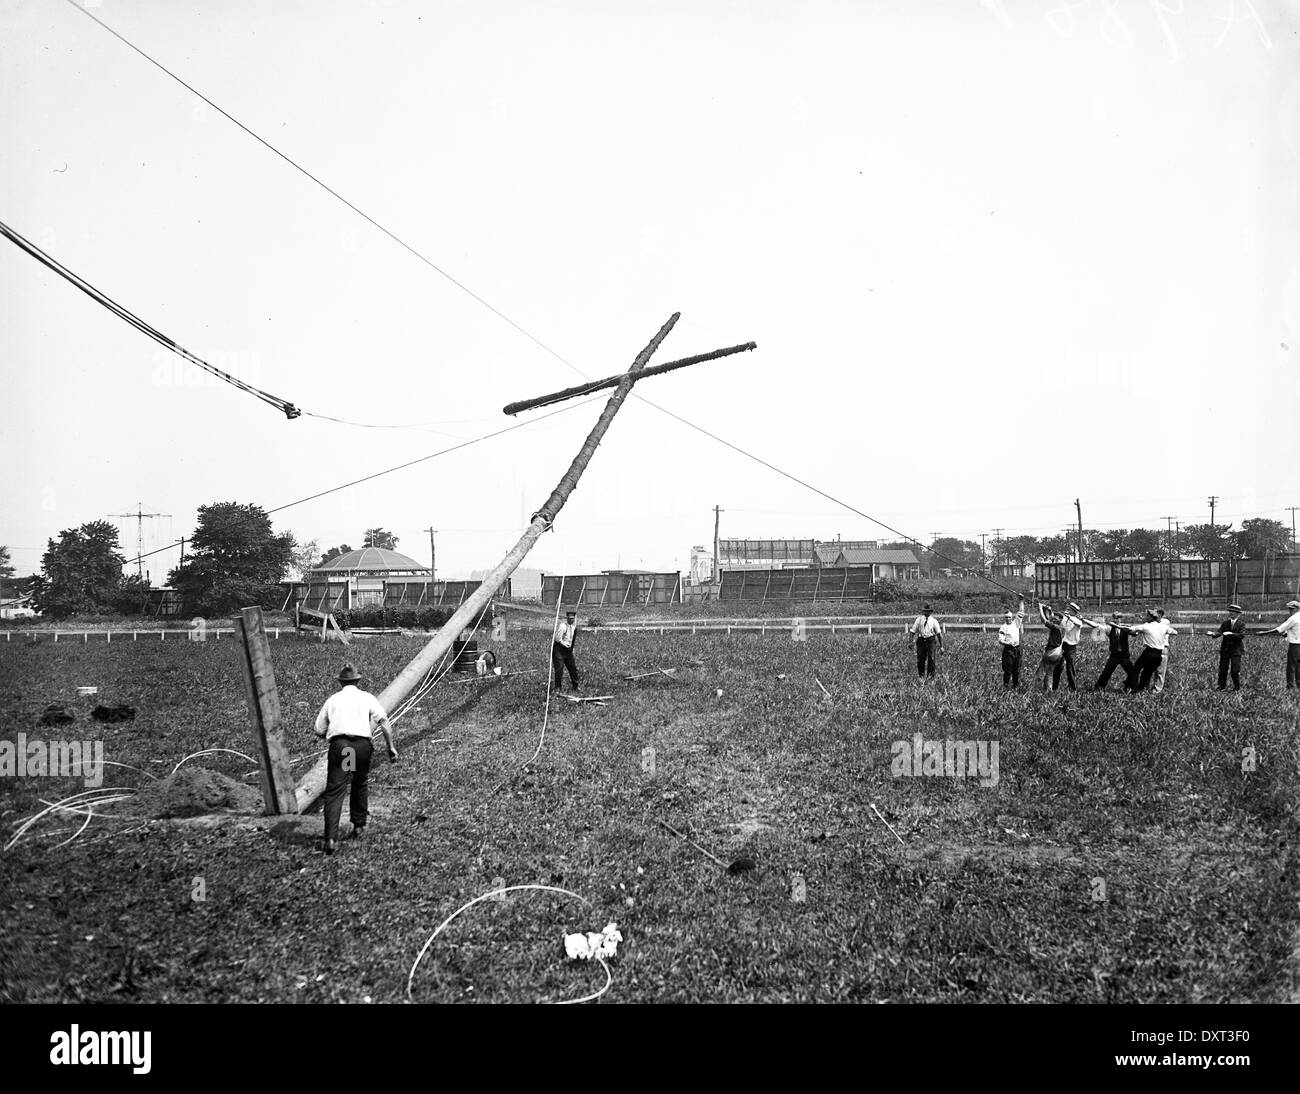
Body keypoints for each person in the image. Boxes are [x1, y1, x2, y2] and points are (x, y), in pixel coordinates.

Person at [314, 663, 398, 855]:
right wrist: (390, 747)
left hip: (343, 747)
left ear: (341, 682)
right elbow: (383, 721)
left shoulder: (333, 700)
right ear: (357, 681)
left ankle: (331, 838)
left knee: (336, 790)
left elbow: (318, 729)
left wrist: (333, 733)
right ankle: (359, 826)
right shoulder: (367, 697)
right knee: (359, 782)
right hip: (361, 747)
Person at [1084, 610, 1136, 692]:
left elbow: (1134, 633)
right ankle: (1098, 688)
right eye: (1115, 618)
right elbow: (1096, 626)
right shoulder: (1110, 628)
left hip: (1124, 655)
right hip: (1115, 655)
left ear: (1121, 619)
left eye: (1119, 618)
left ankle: (1132, 687)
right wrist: (1083, 620)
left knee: (1132, 672)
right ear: (1113, 618)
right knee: (1107, 672)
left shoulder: (1125, 627)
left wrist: (1130, 630)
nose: (1117, 619)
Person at [1253, 599, 1300, 688]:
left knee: (1291, 667)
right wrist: (1286, 634)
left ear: (1297, 608)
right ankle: (1298, 685)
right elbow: (1295, 630)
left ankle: (1290, 687)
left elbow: (1278, 629)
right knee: (1298, 666)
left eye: (1292, 609)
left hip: (1295, 647)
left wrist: (1263, 633)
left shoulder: (1293, 618)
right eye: (1289, 609)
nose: (1290, 611)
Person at [1128, 609, 1177, 693]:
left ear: (1160, 615)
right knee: (1149, 671)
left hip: (1160, 649)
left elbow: (1146, 624)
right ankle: (1146, 688)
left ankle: (1154, 690)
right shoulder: (1157, 624)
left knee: (1158, 672)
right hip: (1158, 649)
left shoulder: (1164, 622)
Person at [1211, 604, 1246, 691]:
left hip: (1236, 650)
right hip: (1225, 649)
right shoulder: (1225, 623)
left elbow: (1241, 635)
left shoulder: (1241, 624)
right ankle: (1221, 687)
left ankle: (1236, 687)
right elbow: (1219, 632)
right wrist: (1213, 634)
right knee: (1223, 669)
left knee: (1235, 670)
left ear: (1238, 614)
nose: (1231, 613)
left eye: (1233, 612)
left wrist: (1231, 634)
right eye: (1230, 612)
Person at [1054, 601, 1088, 691]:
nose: (1067, 610)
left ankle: (1072, 688)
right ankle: (1054, 687)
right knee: (1058, 666)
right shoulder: (1066, 618)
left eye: (1069, 609)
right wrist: (1063, 617)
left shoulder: (1078, 620)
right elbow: (1062, 627)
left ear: (1074, 611)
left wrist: (1069, 617)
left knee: (1070, 668)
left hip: (1071, 647)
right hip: (1063, 645)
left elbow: (1077, 624)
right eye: (1067, 609)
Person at [996, 598, 1027, 688]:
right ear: (1004, 618)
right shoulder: (1003, 627)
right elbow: (1000, 640)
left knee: (1016, 670)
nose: (1008, 619)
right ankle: (1005, 686)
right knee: (1008, 670)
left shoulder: (1016, 623)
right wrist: (1008, 643)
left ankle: (1015, 686)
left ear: (1012, 617)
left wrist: (1021, 600)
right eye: (1006, 617)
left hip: (1017, 649)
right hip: (1008, 650)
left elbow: (1021, 611)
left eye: (1009, 617)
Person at [909, 603, 944, 679]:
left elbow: (939, 634)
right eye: (925, 611)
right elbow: (912, 631)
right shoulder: (919, 620)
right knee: (920, 660)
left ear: (931, 612)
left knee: (931, 659)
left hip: (930, 640)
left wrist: (941, 646)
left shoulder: (934, 621)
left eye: (928, 611)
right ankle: (921, 677)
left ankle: (930, 677)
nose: (926, 613)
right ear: (923, 611)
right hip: (921, 641)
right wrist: (910, 642)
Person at [1036, 603, 1065, 691]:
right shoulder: (1063, 627)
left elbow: (1044, 620)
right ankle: (1048, 689)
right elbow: (1050, 617)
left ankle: (1037, 689)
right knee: (1050, 672)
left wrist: (1040, 608)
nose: (1053, 619)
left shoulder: (1056, 627)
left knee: (1040, 672)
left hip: (1051, 651)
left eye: (1056, 619)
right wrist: (1047, 609)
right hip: (1058, 653)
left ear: (1059, 620)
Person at [551, 609, 581, 692]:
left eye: (573, 619)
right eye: (570, 618)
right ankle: (558, 687)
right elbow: (557, 639)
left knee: (573, 668)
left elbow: (573, 640)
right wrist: (564, 644)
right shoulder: (562, 626)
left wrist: (571, 649)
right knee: (559, 668)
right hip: (559, 649)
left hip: (568, 650)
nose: (571, 620)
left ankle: (576, 686)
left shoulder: (574, 627)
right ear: (567, 618)